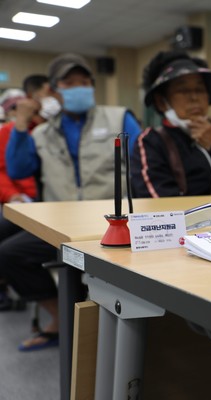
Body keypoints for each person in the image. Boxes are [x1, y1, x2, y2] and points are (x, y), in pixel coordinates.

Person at [1, 53, 142, 351]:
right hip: (60, 225)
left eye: (85, 82)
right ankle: (61, 316)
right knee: (10, 254)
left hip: (115, 222)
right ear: (54, 90)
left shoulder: (118, 117)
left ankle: (112, 330)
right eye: (69, 83)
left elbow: (145, 162)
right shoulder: (41, 133)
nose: (79, 88)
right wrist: (22, 123)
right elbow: (17, 169)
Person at [131, 50, 211, 197]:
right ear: (162, 102)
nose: (194, 97)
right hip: (190, 220)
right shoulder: (151, 141)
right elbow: (158, 202)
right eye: (183, 90)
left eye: (200, 89)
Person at [0, 75, 56, 312]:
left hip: (51, 203)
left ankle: (58, 313)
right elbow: (4, 171)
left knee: (12, 250)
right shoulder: (13, 131)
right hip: (22, 201)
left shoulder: (54, 130)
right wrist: (12, 195)